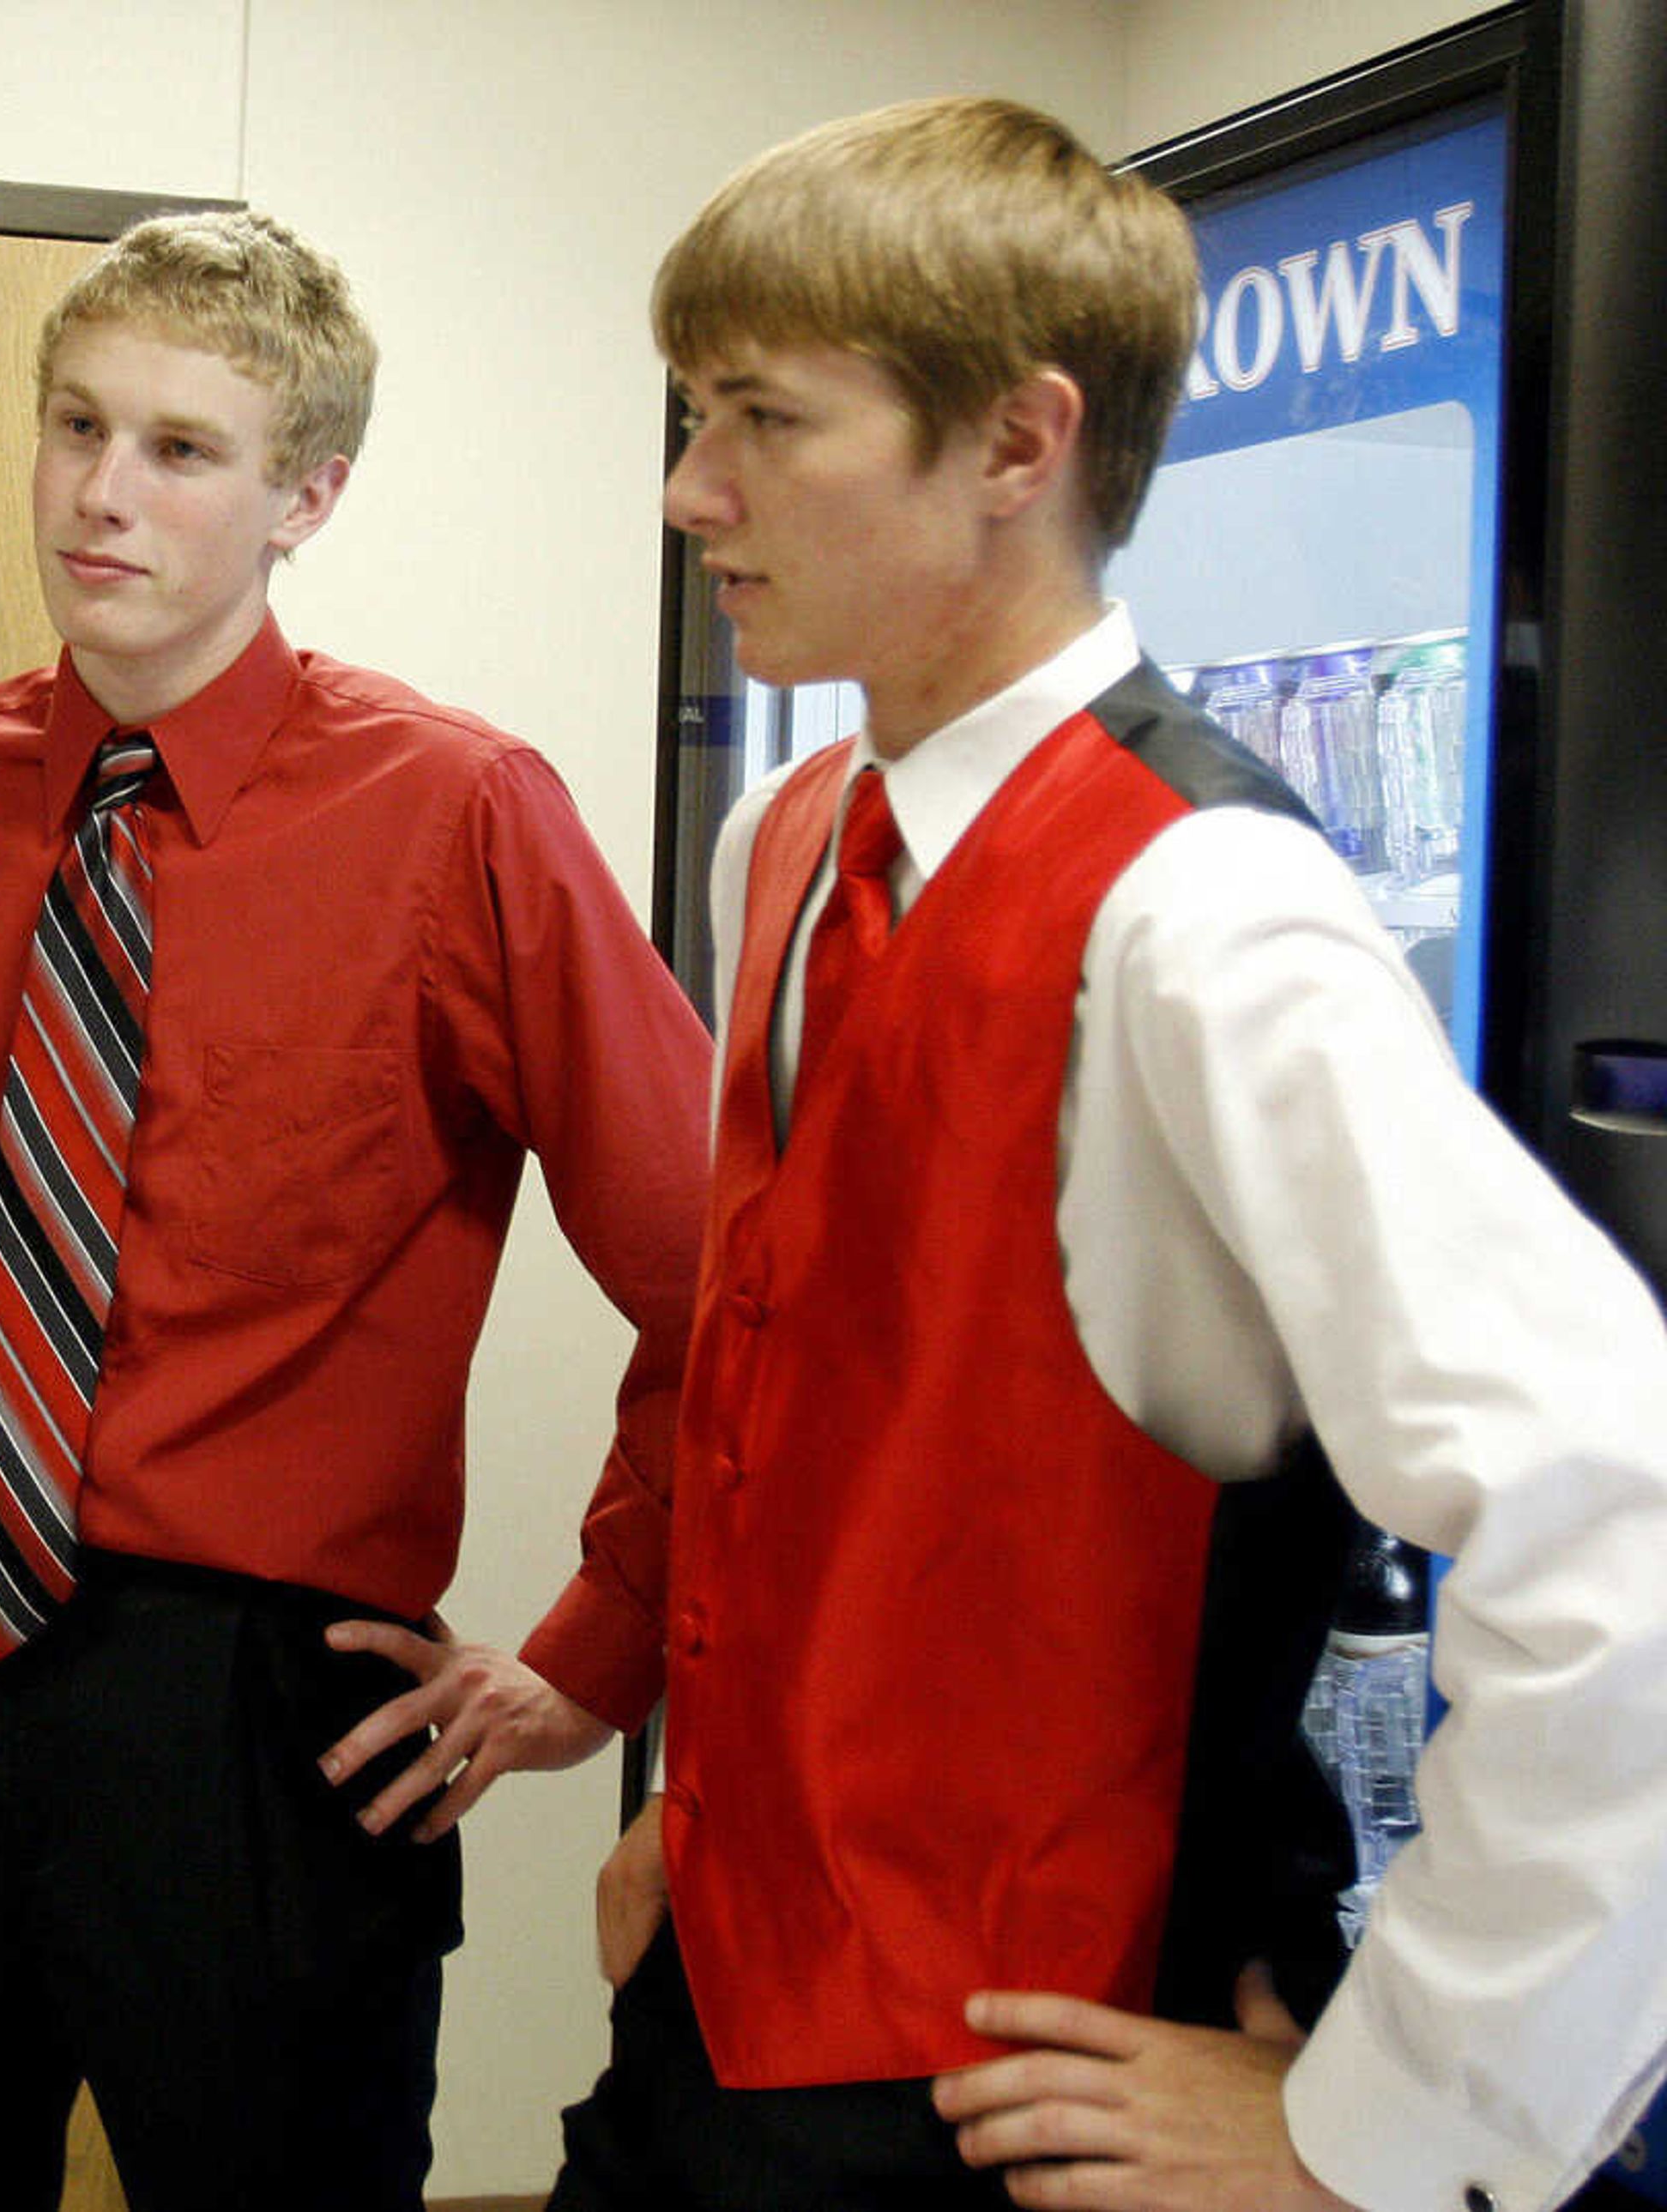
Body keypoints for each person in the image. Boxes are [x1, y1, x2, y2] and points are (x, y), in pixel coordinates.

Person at [536, 95, 1667, 2212]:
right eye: (694, 417)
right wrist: (716, 1835)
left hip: (1024, 2092)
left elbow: (1613, 1499)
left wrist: (1401, 2120)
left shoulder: (1201, 906)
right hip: (733, 2014)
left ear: (1016, 446)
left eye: (765, 420)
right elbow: (831, 1415)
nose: (693, 491)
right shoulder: (784, 840)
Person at [0, 207, 714, 2210]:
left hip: (260, 1710)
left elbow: (716, 1270)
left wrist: (601, 1642)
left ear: (309, 491)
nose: (102, 494)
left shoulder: (461, 814)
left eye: (181, 448)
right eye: (77, 425)